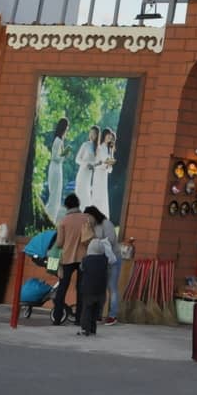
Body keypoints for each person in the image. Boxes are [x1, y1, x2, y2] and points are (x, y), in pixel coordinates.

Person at [49, 193, 91, 326]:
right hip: (83, 258)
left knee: (62, 287)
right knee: (81, 289)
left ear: (66, 205)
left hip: (67, 258)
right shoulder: (86, 218)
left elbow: (60, 243)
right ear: (78, 204)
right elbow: (90, 238)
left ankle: (57, 318)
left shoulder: (64, 221)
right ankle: (79, 319)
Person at [78, 206, 115, 336]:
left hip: (89, 290)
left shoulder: (87, 260)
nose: (87, 219)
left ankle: (85, 328)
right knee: (95, 310)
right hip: (100, 291)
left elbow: (111, 240)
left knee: (87, 309)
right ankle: (93, 329)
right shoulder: (104, 261)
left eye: (88, 216)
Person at [44, 118, 69, 224]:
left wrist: (63, 156)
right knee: (54, 194)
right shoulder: (58, 141)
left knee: (56, 194)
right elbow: (54, 157)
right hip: (55, 168)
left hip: (57, 168)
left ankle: (52, 218)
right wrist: (64, 156)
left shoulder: (60, 140)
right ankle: (49, 218)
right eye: (67, 127)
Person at [89, 128, 116, 216]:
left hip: (104, 175)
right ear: (104, 136)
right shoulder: (100, 148)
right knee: (97, 195)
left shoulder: (108, 149)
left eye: (110, 137)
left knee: (103, 195)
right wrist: (106, 164)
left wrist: (111, 151)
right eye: (108, 136)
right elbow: (102, 161)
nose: (109, 138)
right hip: (99, 174)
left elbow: (110, 167)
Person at [74, 127, 100, 205]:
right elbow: (77, 159)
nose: (92, 135)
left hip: (89, 175)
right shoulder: (85, 145)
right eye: (90, 133)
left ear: (97, 135)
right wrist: (86, 164)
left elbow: (97, 163)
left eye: (94, 133)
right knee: (79, 193)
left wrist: (95, 165)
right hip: (82, 173)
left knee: (86, 194)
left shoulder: (98, 148)